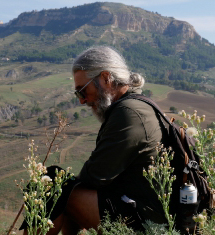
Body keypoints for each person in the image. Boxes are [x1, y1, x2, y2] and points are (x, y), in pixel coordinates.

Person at [47, 46, 166, 234]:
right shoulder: (135, 106)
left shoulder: (128, 114)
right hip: (144, 211)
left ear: (105, 78)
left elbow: (94, 176)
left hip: (148, 224)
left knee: (50, 185)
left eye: (82, 91)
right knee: (64, 187)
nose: (82, 101)